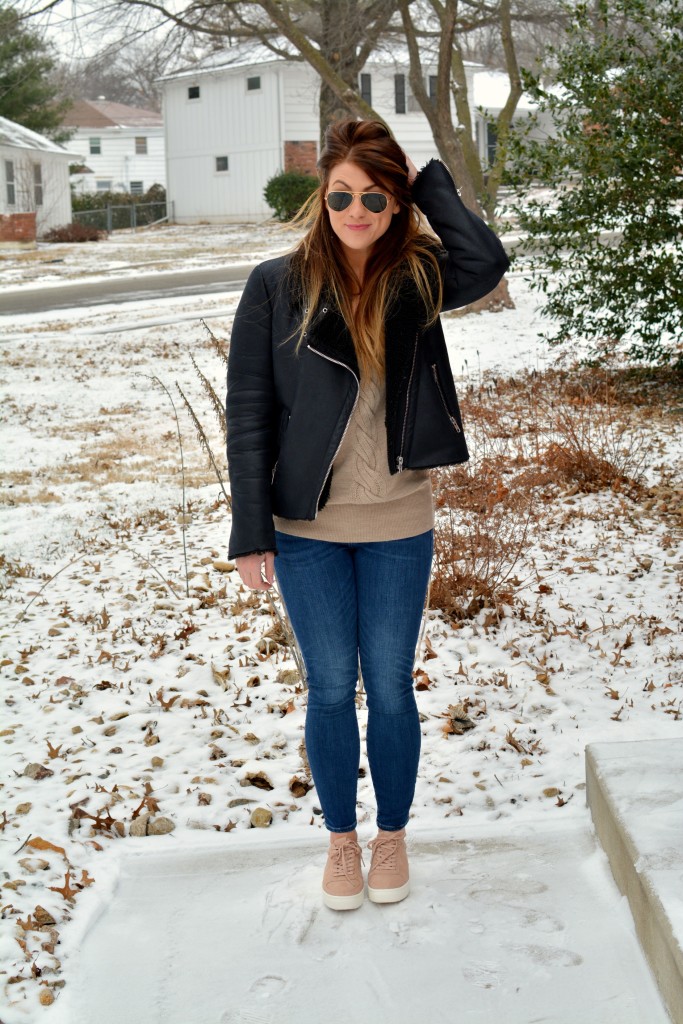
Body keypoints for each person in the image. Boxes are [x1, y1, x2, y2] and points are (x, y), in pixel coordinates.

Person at [226, 119, 509, 911]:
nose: (355, 209)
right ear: (323, 197)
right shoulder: (275, 285)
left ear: (393, 204)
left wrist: (428, 185)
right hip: (305, 527)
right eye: (341, 194)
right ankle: (341, 844)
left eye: (374, 196)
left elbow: (486, 262)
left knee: (388, 686)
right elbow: (246, 412)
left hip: (397, 523)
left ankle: (391, 835)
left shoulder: (415, 276)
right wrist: (249, 532)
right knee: (326, 689)